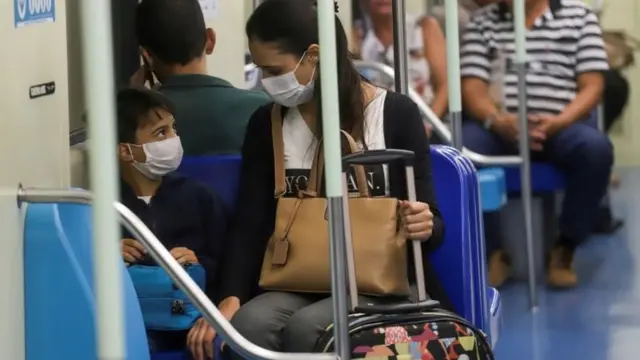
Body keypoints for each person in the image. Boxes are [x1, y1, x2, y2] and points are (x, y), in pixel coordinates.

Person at [185, 0, 449, 358]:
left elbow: (431, 220)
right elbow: (251, 221)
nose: (266, 81)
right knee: (249, 324)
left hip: (381, 282)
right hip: (297, 278)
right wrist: (230, 297)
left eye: (273, 69)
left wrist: (424, 223)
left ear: (313, 56)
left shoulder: (394, 115)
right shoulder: (267, 125)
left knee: (308, 328)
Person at [460, 0, 613, 288]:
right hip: (500, 127)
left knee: (595, 150)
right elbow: (472, 86)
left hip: (560, 126)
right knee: (464, 151)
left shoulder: (579, 17)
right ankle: (492, 252)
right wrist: (497, 120)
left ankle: (565, 246)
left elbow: (592, 84)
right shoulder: (483, 23)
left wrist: (561, 121)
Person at [116, 88, 227, 352]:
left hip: (192, 317)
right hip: (134, 322)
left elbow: (225, 264)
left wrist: (197, 262)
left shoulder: (199, 197)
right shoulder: (102, 207)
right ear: (126, 151)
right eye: (160, 133)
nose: (173, 139)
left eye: (173, 129)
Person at [134, 0, 271, 155]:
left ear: (147, 56)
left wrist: (131, 99)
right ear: (210, 40)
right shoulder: (262, 109)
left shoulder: (137, 123)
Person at [358, 0, 449, 121]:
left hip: (428, 124)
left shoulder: (424, 27)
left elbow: (446, 85)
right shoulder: (358, 38)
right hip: (378, 127)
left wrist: (426, 126)